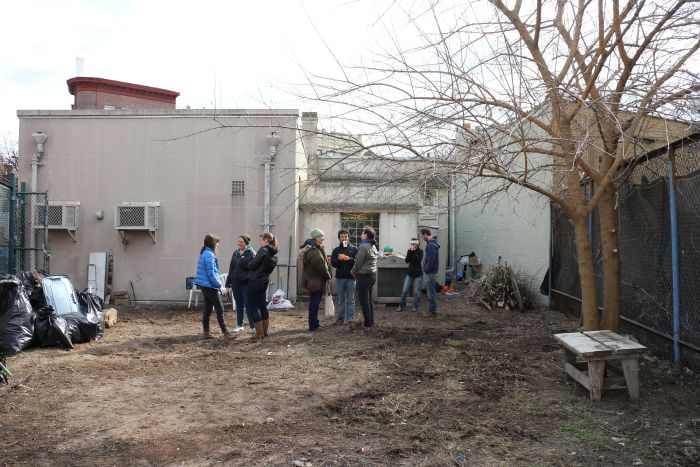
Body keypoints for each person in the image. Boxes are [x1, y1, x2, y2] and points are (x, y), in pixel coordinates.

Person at [193, 234, 233, 340]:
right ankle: (226, 333)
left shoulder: (205, 253)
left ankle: (206, 332)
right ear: (213, 243)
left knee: (208, 309)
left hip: (205, 285)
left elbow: (211, 273)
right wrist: (219, 286)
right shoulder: (209, 255)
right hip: (209, 286)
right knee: (220, 309)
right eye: (217, 243)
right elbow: (211, 274)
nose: (218, 245)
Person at [244, 232, 279, 340]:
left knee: (253, 307)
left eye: (261, 240)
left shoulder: (263, 250)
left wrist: (248, 261)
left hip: (254, 281)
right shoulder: (274, 254)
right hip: (264, 281)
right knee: (262, 306)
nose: (260, 242)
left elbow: (252, 265)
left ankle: (259, 334)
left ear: (266, 241)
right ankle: (264, 332)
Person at [300, 229, 332, 331]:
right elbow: (320, 266)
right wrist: (328, 276)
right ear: (315, 238)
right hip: (316, 280)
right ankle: (313, 325)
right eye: (321, 236)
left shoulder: (313, 248)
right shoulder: (313, 250)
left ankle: (314, 324)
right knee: (314, 303)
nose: (323, 238)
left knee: (314, 302)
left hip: (314, 279)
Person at [225, 234, 256, 333]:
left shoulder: (251, 253)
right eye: (238, 241)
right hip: (235, 283)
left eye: (241, 242)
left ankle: (253, 326)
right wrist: (228, 283)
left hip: (245, 283)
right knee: (239, 305)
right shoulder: (236, 253)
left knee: (248, 304)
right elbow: (231, 268)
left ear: (246, 243)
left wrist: (243, 258)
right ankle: (239, 325)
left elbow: (251, 268)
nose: (239, 243)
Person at [351, 226, 378, 328]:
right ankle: (371, 321)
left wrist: (352, 271)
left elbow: (358, 262)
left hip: (364, 276)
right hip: (372, 275)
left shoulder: (363, 246)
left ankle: (367, 323)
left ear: (366, 235)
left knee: (364, 301)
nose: (361, 234)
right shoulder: (373, 245)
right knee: (369, 300)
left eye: (362, 232)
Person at [330, 229, 357, 324]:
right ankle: (340, 319)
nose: (344, 238)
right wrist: (339, 259)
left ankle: (351, 319)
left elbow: (356, 262)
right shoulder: (336, 250)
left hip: (351, 278)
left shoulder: (354, 249)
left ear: (348, 238)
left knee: (351, 299)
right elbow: (333, 263)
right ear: (339, 238)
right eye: (342, 237)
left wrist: (348, 258)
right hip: (340, 278)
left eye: (346, 236)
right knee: (341, 300)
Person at [398, 238, 423, 312]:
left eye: (414, 244)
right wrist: (410, 252)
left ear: (417, 244)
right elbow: (407, 260)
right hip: (410, 274)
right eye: (411, 244)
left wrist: (414, 252)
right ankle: (401, 306)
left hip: (418, 274)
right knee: (405, 290)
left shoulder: (421, 251)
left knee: (416, 291)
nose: (412, 245)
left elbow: (418, 261)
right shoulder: (409, 251)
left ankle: (415, 306)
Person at [421, 228, 440, 316]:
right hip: (431, 271)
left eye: (422, 235)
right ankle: (432, 310)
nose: (422, 237)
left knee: (431, 291)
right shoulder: (431, 244)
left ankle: (432, 311)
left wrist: (427, 269)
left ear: (425, 234)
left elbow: (431, 260)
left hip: (431, 272)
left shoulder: (431, 245)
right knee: (431, 291)